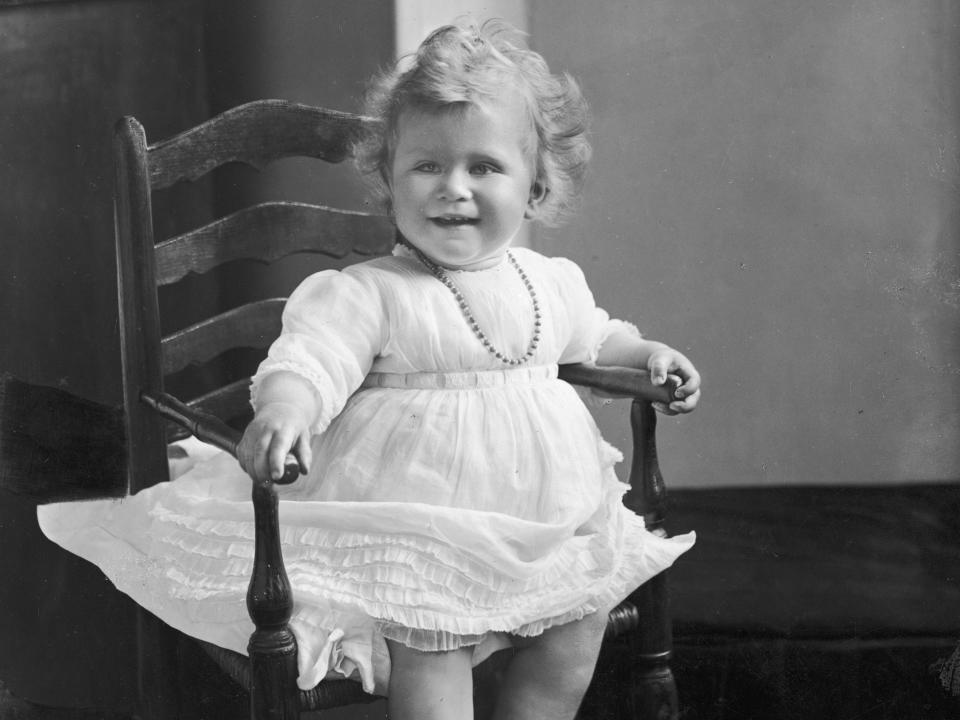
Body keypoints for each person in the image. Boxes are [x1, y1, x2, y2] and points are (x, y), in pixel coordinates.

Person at [40, 21, 699, 720]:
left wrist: (648, 357)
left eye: (483, 167)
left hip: (545, 519)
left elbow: (596, 339)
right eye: (427, 166)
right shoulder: (369, 291)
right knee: (434, 643)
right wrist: (290, 408)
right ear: (389, 179)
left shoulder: (551, 282)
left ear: (535, 185)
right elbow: (311, 360)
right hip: (422, 524)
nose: (453, 188)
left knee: (574, 636)